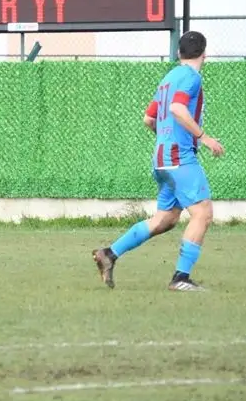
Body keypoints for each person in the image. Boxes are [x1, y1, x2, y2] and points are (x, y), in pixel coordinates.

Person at [91, 31, 226, 292]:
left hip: (162, 158)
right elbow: (177, 108)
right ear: (204, 54)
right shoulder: (191, 77)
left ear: (178, 53)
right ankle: (180, 278)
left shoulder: (168, 78)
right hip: (179, 157)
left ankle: (109, 254)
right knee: (202, 213)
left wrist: (167, 138)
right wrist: (204, 137)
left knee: (166, 218)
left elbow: (149, 119)